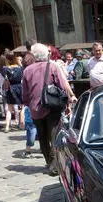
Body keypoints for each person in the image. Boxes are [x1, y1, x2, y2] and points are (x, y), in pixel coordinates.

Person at [22, 43, 72, 176]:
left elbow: (25, 94)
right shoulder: (53, 67)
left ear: (34, 55)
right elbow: (62, 87)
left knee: (43, 138)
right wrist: (67, 103)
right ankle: (55, 166)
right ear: (47, 54)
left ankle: (50, 163)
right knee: (54, 136)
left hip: (35, 109)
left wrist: (29, 104)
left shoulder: (27, 70)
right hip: (51, 107)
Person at [0, 51, 24, 132]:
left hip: (11, 88)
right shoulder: (20, 68)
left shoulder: (5, 69)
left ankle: (7, 127)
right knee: (22, 107)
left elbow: (4, 76)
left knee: (9, 109)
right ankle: (22, 124)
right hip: (19, 87)